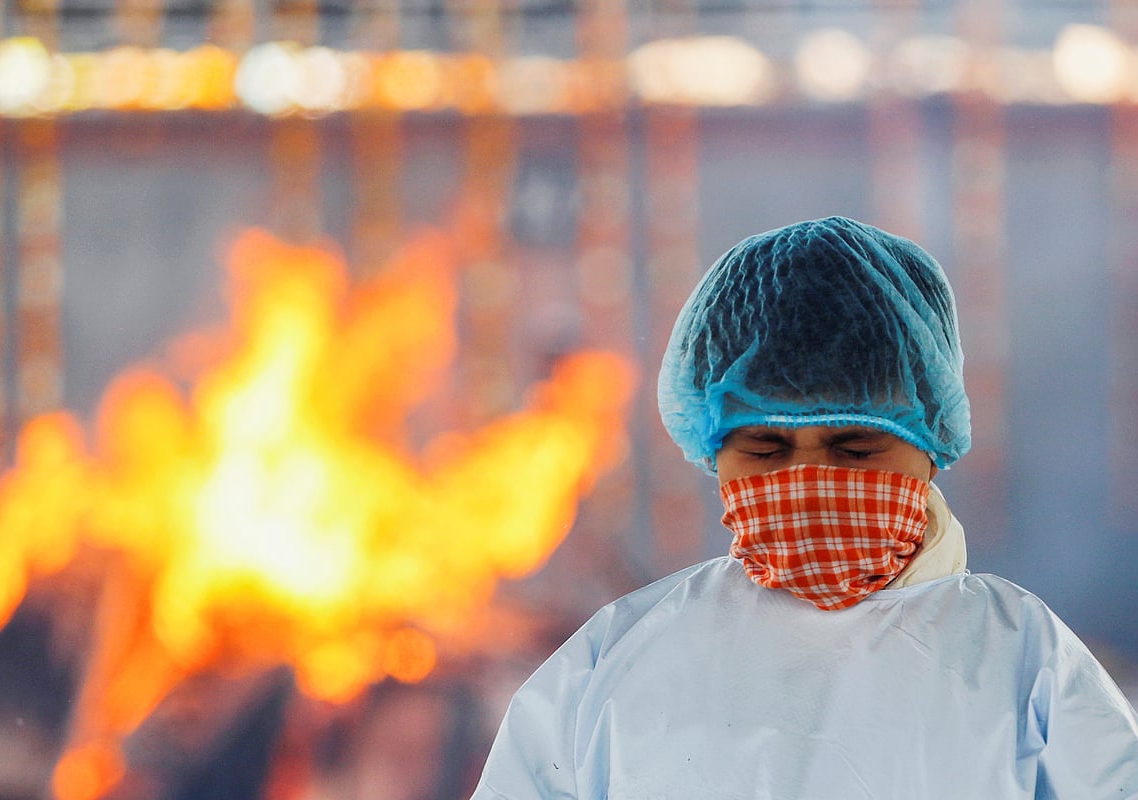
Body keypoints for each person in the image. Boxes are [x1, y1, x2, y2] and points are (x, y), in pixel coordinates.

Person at [469, 216, 1138, 799]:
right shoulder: (614, 664)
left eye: (855, 447)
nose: (810, 479)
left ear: (931, 444)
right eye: (766, 449)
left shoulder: (1024, 662)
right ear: (712, 451)